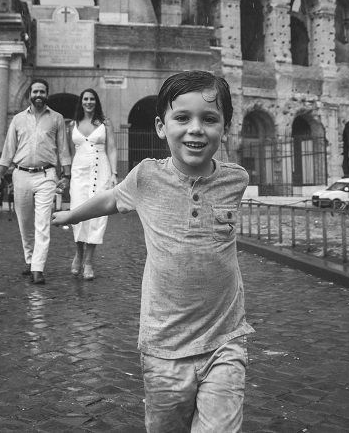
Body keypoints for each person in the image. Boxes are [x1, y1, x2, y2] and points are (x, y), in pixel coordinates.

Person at [52, 70, 252, 431]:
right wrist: (68, 214)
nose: (196, 128)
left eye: (209, 119)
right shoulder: (146, 177)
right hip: (163, 347)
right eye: (182, 118)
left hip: (225, 341)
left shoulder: (235, 179)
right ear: (161, 127)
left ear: (225, 128)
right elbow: (110, 200)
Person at [0, 79, 71, 285]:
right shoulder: (18, 119)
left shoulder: (57, 118)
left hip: (46, 175)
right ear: (30, 94)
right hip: (21, 175)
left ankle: (38, 268)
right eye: (35, 91)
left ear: (47, 94)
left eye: (42, 91)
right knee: (25, 222)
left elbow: (63, 149)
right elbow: (9, 149)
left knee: (43, 223)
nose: (38, 94)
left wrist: (67, 176)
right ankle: (29, 259)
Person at [66, 88, 118, 280]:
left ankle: (88, 261)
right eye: (85, 99)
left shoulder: (104, 123)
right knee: (77, 213)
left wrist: (114, 173)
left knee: (96, 215)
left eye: (92, 99)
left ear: (96, 102)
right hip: (79, 173)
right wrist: (69, 175)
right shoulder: (73, 124)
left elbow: (111, 148)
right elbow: (71, 152)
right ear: (81, 102)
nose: (89, 102)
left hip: (100, 172)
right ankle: (78, 254)